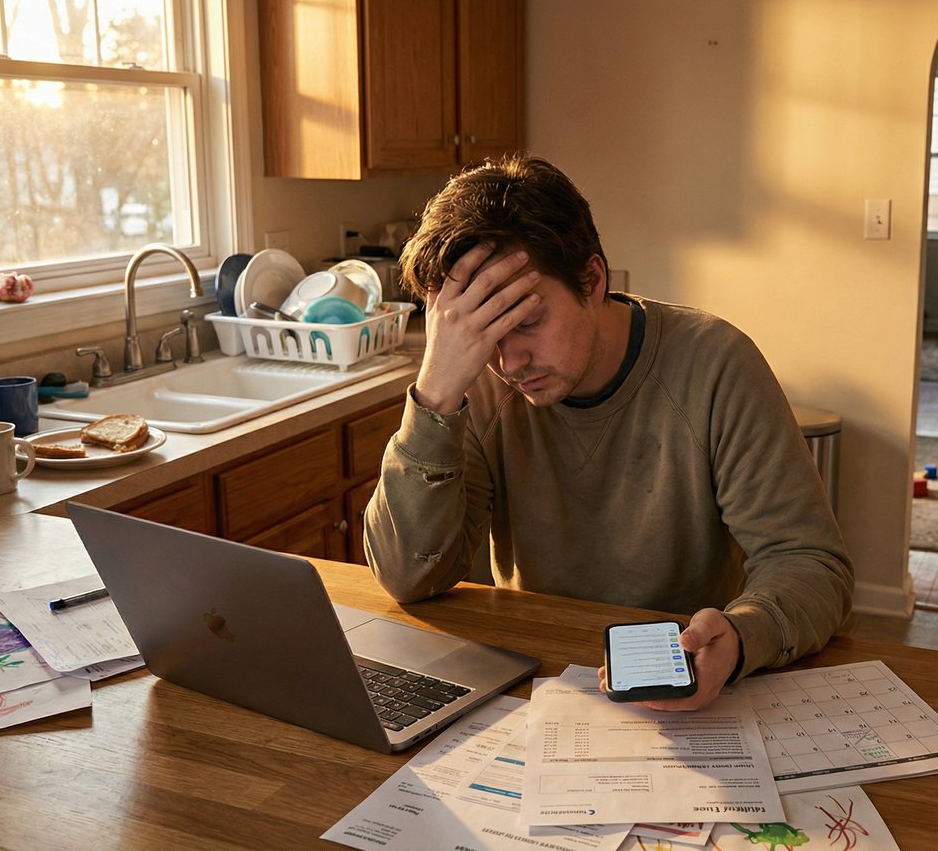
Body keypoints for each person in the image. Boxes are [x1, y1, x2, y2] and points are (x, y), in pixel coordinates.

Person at [364, 155, 853, 712]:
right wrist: (434, 394)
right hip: (532, 686)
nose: (509, 359)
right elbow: (408, 577)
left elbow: (811, 562)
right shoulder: (471, 380)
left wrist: (742, 637)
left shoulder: (717, 365)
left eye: (525, 322)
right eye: (484, 330)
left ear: (592, 280)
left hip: (687, 691)